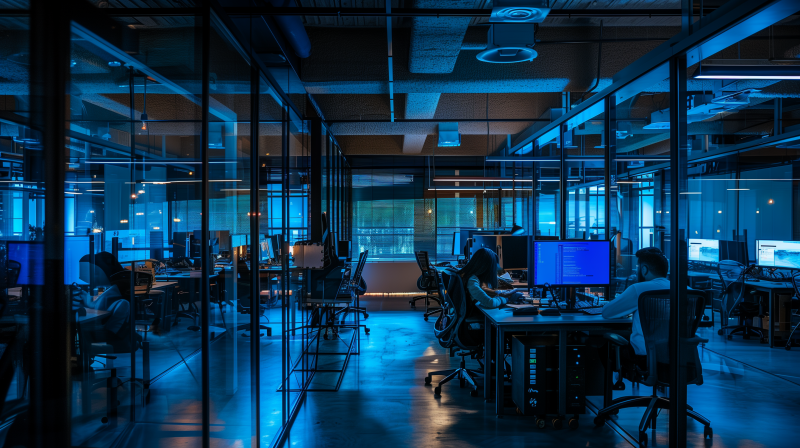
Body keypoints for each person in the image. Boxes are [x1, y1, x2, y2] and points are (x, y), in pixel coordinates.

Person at [602, 246, 670, 365]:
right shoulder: (685, 290)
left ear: (644, 270)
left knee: (601, 344)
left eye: (637, 268)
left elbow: (607, 312)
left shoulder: (639, 289)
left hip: (644, 357)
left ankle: (610, 383)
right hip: (678, 357)